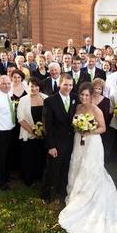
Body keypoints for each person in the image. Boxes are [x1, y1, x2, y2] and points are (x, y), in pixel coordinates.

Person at [58, 82, 117, 233]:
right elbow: (74, 124)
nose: (84, 98)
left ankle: (90, 195)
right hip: (78, 141)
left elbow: (103, 128)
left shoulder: (96, 109)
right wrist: (78, 128)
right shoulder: (78, 108)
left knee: (90, 169)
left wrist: (88, 130)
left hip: (92, 143)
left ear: (91, 95)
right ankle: (78, 193)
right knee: (77, 165)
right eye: (82, 95)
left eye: (87, 95)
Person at [40, 74, 77, 203]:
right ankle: (46, 193)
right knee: (52, 169)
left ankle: (61, 190)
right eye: (65, 84)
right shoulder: (50, 101)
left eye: (71, 85)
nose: (68, 87)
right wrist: (51, 146)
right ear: (60, 84)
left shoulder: (75, 98)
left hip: (71, 141)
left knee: (66, 167)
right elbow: (47, 126)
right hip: (56, 142)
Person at [17, 77, 48, 186]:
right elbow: (20, 119)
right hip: (28, 133)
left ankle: (39, 176)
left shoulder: (46, 98)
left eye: (36, 86)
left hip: (43, 134)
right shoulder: (23, 100)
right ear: (28, 87)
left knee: (40, 156)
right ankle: (29, 179)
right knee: (29, 157)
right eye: (31, 86)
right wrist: (34, 132)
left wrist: (43, 132)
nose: (34, 88)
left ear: (39, 87)